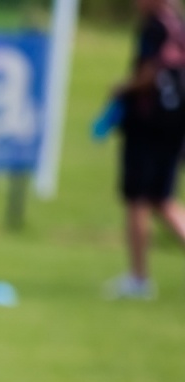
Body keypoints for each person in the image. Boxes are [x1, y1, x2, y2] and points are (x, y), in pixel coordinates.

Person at [106, 0, 185, 299]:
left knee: (137, 199)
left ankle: (138, 279)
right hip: (176, 123)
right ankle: (138, 278)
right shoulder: (177, 23)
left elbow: (150, 72)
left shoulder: (154, 27)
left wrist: (124, 88)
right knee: (162, 200)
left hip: (149, 123)